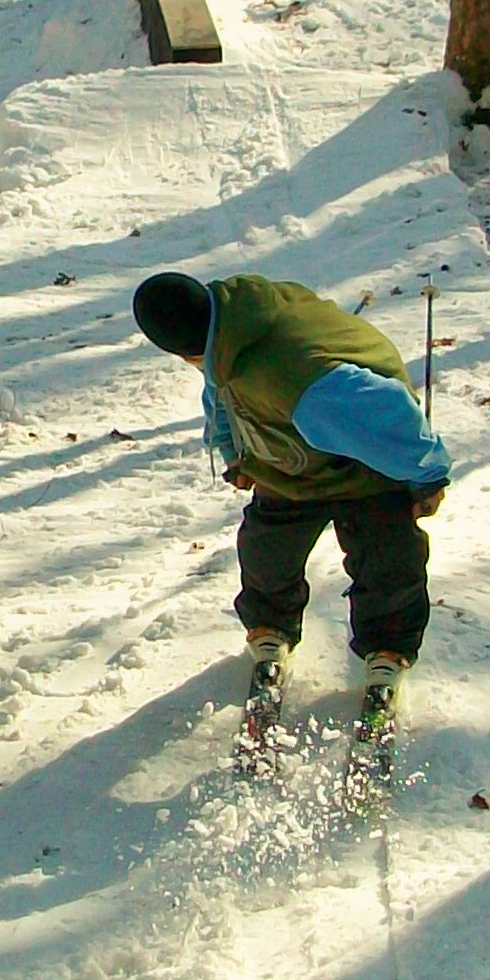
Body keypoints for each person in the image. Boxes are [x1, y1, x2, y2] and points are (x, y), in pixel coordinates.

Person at [131, 268, 449, 713]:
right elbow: (222, 395)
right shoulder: (227, 328)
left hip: (370, 455)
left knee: (386, 551)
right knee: (267, 546)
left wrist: (428, 476)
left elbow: (391, 418)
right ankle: (270, 629)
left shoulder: (307, 385)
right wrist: (236, 453)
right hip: (293, 454)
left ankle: (387, 648)